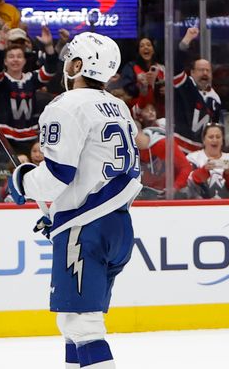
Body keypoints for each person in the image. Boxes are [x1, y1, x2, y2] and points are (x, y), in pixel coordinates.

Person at [7, 32, 142, 369]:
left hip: (87, 226)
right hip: (118, 224)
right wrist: (57, 213)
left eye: (70, 58)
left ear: (78, 64)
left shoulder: (66, 105)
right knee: (72, 322)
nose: (65, 64)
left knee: (83, 324)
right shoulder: (119, 106)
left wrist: (23, 181)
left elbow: (57, 176)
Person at [185, 123, 229, 199]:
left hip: (227, 207)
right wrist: (203, 171)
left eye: (218, 137)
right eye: (211, 137)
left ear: (222, 141)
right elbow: (187, 184)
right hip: (199, 207)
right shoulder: (192, 158)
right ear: (204, 140)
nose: (215, 140)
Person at [135, 125, 192, 199]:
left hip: (175, 193)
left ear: (137, 133)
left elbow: (186, 167)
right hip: (151, 193)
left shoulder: (164, 144)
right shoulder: (134, 150)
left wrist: (175, 187)